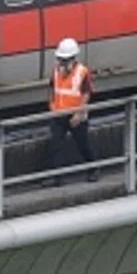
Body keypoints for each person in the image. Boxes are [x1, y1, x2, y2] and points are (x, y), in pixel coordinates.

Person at [48, 37, 97, 184]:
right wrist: (51, 105)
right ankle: (57, 177)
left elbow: (86, 93)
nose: (61, 62)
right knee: (55, 146)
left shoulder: (82, 72)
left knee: (83, 144)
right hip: (58, 113)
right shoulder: (56, 70)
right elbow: (52, 88)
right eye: (60, 59)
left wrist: (78, 113)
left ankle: (93, 169)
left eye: (64, 59)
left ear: (72, 58)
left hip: (76, 115)